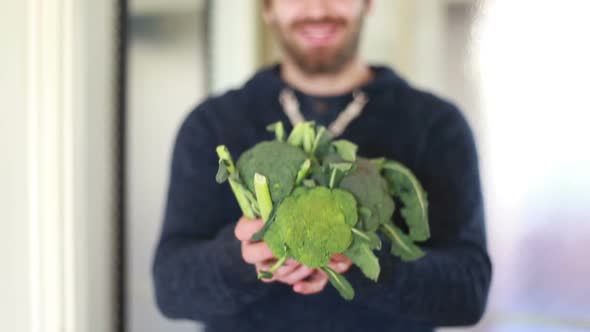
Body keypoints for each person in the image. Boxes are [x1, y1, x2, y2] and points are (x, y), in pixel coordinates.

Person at [152, 0, 492, 331]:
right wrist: (241, 258)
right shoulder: (211, 124)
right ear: (268, 7)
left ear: (368, 3)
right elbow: (170, 289)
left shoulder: (436, 126)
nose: (317, 10)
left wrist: (361, 255)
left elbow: (468, 293)